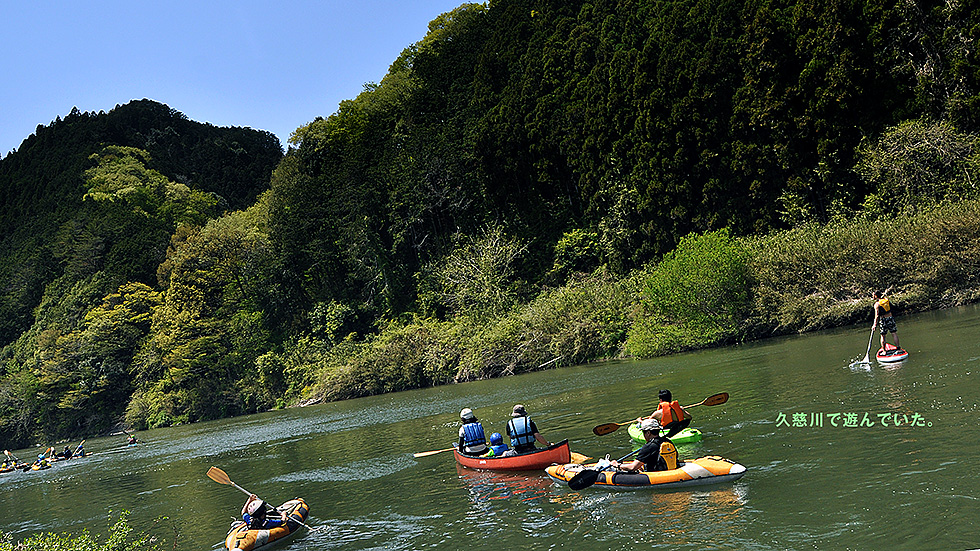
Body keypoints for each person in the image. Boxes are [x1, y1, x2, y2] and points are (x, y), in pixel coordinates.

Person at [610, 418, 678, 472]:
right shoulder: (667, 441)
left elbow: (632, 467)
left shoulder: (649, 447)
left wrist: (617, 465)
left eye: (643, 432)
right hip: (669, 472)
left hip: (657, 476)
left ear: (648, 433)